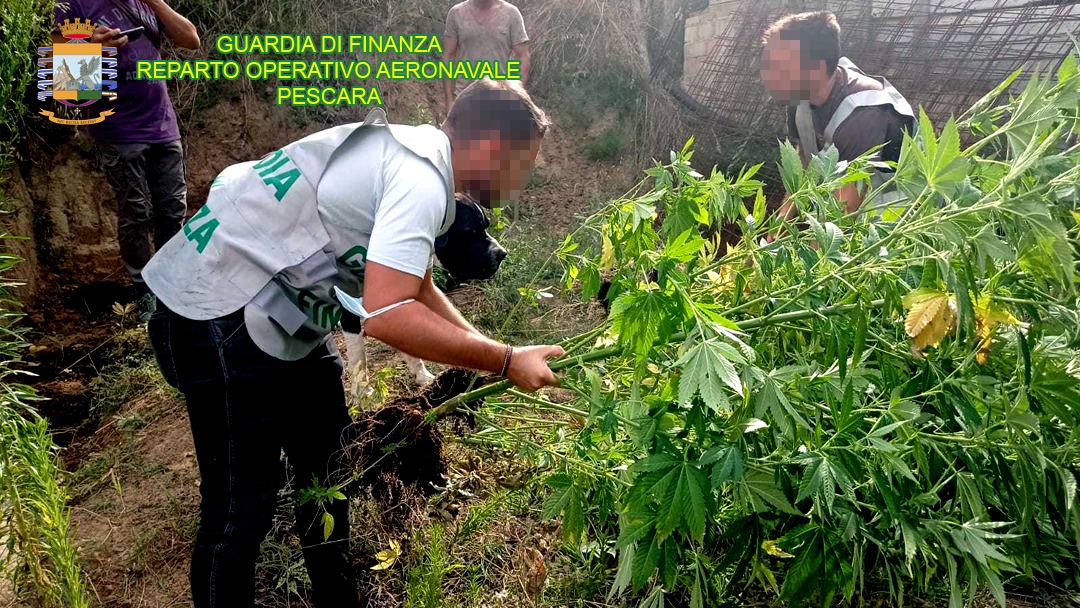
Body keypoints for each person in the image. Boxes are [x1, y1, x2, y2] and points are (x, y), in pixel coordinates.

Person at [141, 79, 562, 608]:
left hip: (277, 311)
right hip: (218, 304)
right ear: (491, 147)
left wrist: (486, 347)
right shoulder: (421, 173)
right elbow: (388, 314)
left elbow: (418, 286)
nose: (523, 179)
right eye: (523, 163)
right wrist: (503, 360)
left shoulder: (416, 158)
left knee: (328, 476)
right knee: (240, 510)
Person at [52, 0, 200, 320]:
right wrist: (93, 46)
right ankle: (144, 294)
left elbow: (191, 38)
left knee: (173, 211)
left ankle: (172, 288)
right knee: (136, 211)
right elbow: (68, 87)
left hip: (162, 123)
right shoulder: (73, 5)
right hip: (117, 127)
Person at [759, 11, 915, 217]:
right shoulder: (800, 96)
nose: (768, 76)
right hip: (851, 204)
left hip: (901, 219)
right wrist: (784, 217)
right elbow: (804, 159)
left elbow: (845, 208)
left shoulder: (864, 113)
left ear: (815, 68)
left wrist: (812, 247)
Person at [442, 0, 531, 114]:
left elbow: (523, 56)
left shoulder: (511, 14)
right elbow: (448, 56)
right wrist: (449, 100)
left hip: (499, 100)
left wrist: (514, 96)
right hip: (464, 98)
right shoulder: (457, 13)